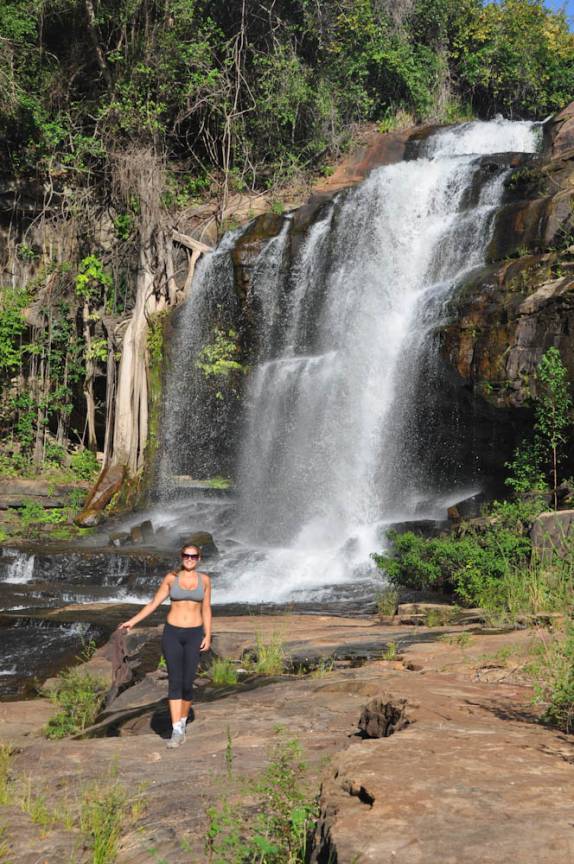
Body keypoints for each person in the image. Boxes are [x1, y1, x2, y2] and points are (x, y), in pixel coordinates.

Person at [119, 543, 212, 749]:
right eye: (186, 555)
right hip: (173, 634)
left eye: (193, 556)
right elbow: (154, 603)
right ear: (181, 556)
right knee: (175, 681)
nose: (189, 559)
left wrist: (208, 634)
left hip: (194, 634)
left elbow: (206, 608)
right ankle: (176, 729)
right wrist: (132, 622)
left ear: (199, 558)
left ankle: (183, 721)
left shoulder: (205, 580)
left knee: (188, 682)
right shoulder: (171, 578)